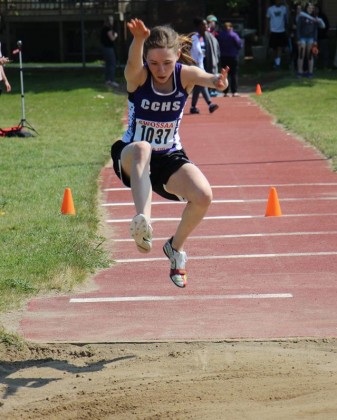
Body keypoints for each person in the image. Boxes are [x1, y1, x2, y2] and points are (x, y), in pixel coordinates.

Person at [110, 18, 229, 288]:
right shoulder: (139, 77)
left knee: (203, 196)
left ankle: (175, 248)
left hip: (168, 157)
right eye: (153, 63)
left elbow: (208, 78)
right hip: (131, 154)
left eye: (166, 63)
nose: (160, 69)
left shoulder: (184, 75)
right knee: (143, 147)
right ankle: (143, 224)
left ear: (177, 56)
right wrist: (139, 39)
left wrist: (218, 82)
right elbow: (132, 64)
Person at [189, 18, 220, 114]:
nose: (206, 26)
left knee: (199, 85)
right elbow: (196, 52)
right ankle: (210, 104)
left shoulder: (205, 37)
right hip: (195, 66)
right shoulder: (194, 38)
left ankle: (193, 107)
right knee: (202, 83)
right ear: (198, 26)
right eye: (204, 24)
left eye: (207, 24)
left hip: (201, 65)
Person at [217, 22, 243, 97]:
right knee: (234, 74)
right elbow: (239, 44)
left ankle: (225, 91)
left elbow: (218, 45)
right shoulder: (233, 35)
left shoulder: (220, 35)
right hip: (233, 56)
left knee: (225, 74)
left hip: (223, 56)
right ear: (231, 27)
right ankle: (234, 91)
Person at [296, 2, 319, 78]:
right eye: (309, 7)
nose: (310, 9)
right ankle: (300, 72)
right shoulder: (302, 17)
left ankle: (310, 73)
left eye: (312, 8)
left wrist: (315, 40)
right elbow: (298, 29)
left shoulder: (314, 18)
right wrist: (298, 39)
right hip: (302, 38)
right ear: (306, 8)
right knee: (301, 55)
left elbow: (316, 30)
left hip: (310, 39)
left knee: (310, 56)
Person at [266, 0, 289, 70]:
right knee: (272, 49)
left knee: (280, 48)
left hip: (281, 31)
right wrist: (268, 29)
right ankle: (275, 61)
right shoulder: (270, 9)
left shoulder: (283, 8)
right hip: (273, 31)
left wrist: (285, 3)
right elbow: (267, 19)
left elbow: (288, 15)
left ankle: (278, 64)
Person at [100, 15, 119, 87]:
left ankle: (107, 80)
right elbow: (112, 39)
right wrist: (116, 35)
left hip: (104, 48)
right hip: (108, 48)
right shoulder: (108, 29)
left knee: (108, 65)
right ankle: (112, 80)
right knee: (112, 64)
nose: (112, 22)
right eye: (111, 20)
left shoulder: (103, 28)